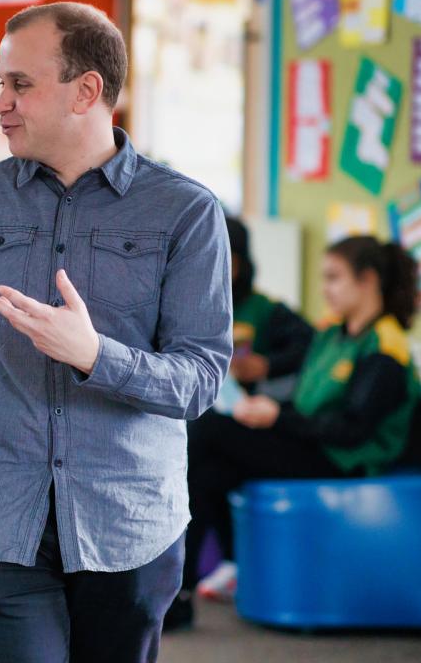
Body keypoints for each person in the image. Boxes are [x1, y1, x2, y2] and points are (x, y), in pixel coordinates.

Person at [0, 2, 232, 663]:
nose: (0, 103)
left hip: (129, 524)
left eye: (20, 83)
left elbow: (200, 381)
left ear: (87, 91)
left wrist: (96, 356)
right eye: (0, 82)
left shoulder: (186, 212)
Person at [166, 235, 421, 630]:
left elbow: (352, 430)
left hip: (342, 461)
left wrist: (276, 418)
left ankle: (181, 586)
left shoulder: (386, 346)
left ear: (367, 280)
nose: (326, 289)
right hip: (309, 444)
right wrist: (266, 411)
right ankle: (178, 597)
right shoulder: (332, 334)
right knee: (207, 473)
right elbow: (307, 406)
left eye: (334, 278)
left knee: (208, 432)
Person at [182, 216, 314, 603]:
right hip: (202, 415)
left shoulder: (265, 310)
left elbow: (305, 344)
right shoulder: (191, 301)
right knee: (202, 462)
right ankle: (185, 583)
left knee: (206, 441)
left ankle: (194, 578)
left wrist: (265, 365)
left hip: (250, 418)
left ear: (240, 261)